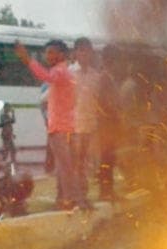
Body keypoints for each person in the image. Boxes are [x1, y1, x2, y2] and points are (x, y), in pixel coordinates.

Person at [14, 39, 89, 210]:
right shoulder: (67, 72)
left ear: (61, 54)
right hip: (67, 126)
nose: (47, 56)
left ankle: (71, 200)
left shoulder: (60, 71)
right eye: (46, 53)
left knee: (65, 167)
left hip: (60, 128)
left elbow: (45, 77)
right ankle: (70, 199)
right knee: (67, 166)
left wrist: (28, 60)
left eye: (51, 52)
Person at [69, 37, 100, 201]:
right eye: (81, 51)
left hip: (90, 126)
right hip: (73, 127)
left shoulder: (95, 76)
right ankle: (74, 194)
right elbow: (46, 99)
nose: (85, 54)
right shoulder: (68, 73)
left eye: (87, 51)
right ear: (75, 53)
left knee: (85, 162)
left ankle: (83, 193)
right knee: (74, 162)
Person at [96, 44, 124, 201]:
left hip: (110, 124)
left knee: (109, 158)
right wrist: (114, 113)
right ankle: (105, 191)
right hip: (106, 125)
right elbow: (103, 102)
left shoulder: (110, 77)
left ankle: (108, 190)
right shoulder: (104, 78)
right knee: (106, 158)